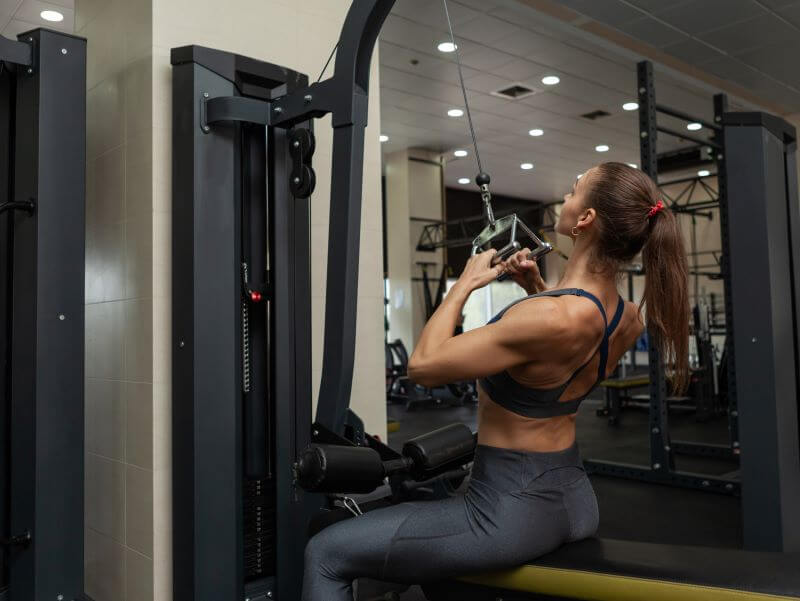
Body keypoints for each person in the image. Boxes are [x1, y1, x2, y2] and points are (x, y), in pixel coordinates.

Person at [301, 162, 689, 600]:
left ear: (585, 220)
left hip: (508, 510)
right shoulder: (627, 317)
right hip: (574, 498)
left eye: (574, 189)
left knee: (326, 551)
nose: (566, 195)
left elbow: (423, 366)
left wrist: (463, 284)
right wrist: (535, 288)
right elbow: (559, 365)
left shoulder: (551, 315)